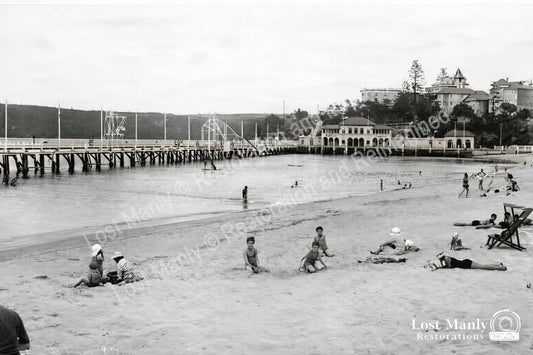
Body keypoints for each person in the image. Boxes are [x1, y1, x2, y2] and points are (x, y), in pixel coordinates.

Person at [426, 252, 507, 271]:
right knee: (482, 265)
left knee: (482, 267)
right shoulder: (447, 258)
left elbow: (450, 266)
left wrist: (443, 267)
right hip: (465, 262)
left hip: (466, 264)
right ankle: (498, 264)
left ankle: (501, 268)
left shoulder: (446, 259)